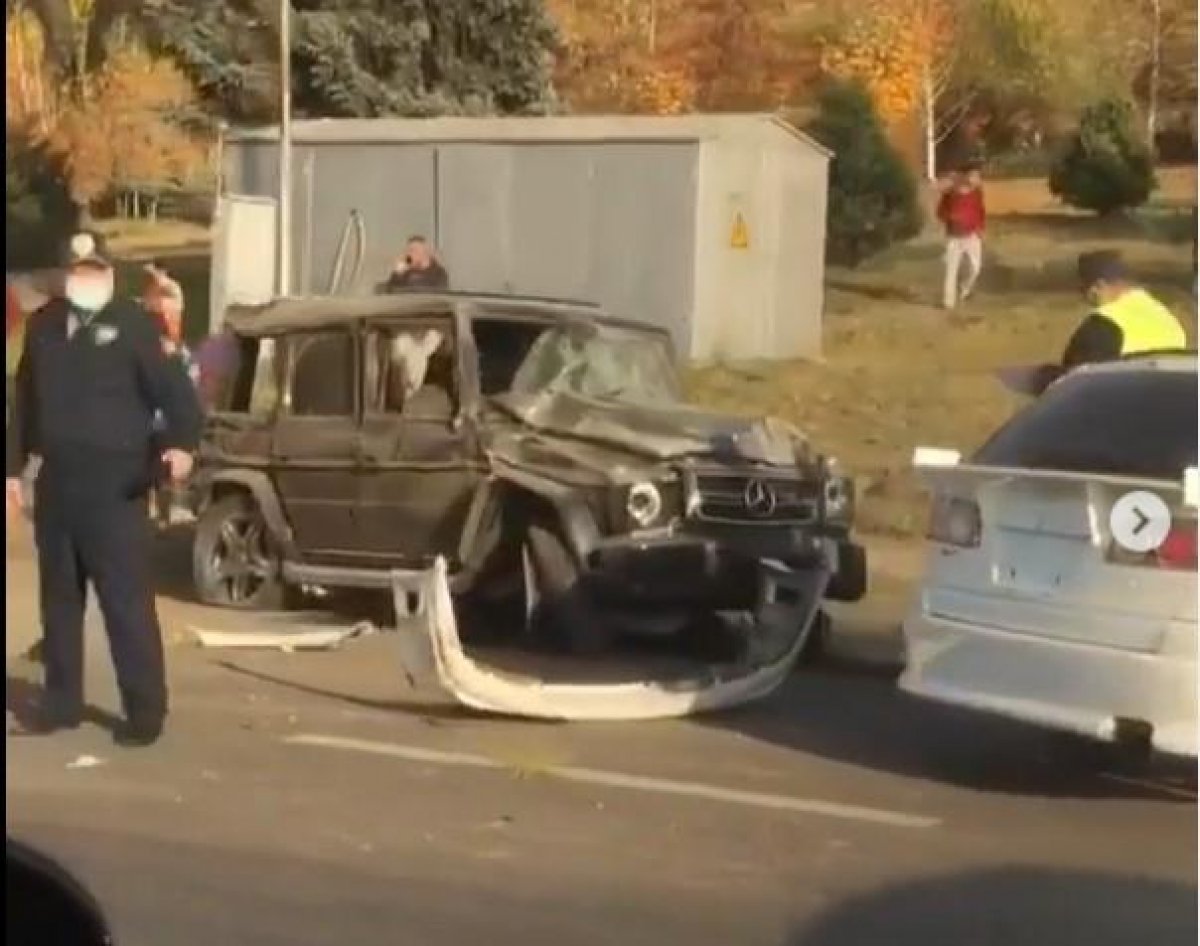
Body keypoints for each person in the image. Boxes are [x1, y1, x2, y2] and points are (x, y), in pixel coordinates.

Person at [5, 231, 203, 747]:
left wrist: (181, 444)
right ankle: (62, 701)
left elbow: (177, 395)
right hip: (58, 484)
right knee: (60, 602)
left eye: (94, 271)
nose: (85, 279)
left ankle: (144, 712)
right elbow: (23, 404)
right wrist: (11, 471)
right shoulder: (45, 327)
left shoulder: (134, 326)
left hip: (117, 484)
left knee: (125, 603)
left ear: (109, 276)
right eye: (77, 271)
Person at [1062, 250, 1188, 368]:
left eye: (1082, 290)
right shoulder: (1168, 319)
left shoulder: (1105, 323)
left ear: (1098, 286)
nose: (1083, 297)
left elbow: (1075, 377)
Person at [937, 163, 986, 309]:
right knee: (951, 270)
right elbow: (940, 212)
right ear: (965, 176)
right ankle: (948, 302)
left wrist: (981, 228)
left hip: (972, 236)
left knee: (975, 267)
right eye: (974, 175)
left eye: (978, 176)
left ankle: (964, 288)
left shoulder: (977, 193)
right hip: (955, 237)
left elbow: (980, 212)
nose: (976, 179)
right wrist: (950, 217)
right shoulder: (951, 194)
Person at [380, 236, 450, 292]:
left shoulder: (439, 273)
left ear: (425, 252)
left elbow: (438, 293)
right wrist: (397, 274)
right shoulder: (405, 271)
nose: (410, 254)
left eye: (414, 250)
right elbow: (390, 290)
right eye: (408, 251)